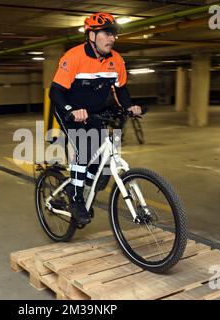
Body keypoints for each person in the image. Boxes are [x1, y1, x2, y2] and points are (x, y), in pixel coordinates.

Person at [49, 12, 145, 225]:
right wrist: (71, 110)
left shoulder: (116, 60)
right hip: (70, 110)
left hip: (94, 111)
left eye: (114, 35)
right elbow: (55, 93)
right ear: (91, 35)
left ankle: (87, 182)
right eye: (107, 34)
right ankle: (75, 198)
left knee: (102, 150)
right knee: (84, 149)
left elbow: (121, 89)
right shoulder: (73, 57)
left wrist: (129, 106)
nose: (112, 39)